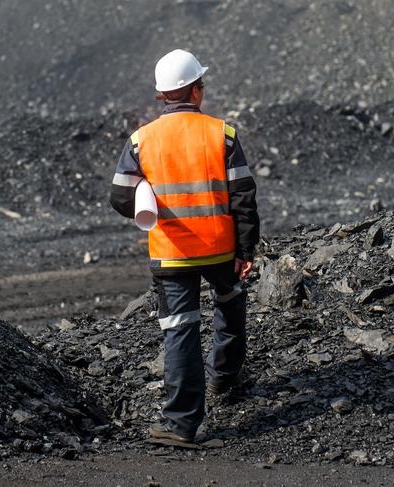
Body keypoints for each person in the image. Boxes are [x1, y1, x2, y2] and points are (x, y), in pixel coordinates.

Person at [109, 49, 259, 444]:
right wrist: (247, 249)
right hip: (220, 250)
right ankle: (225, 378)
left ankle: (180, 425)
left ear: (163, 96)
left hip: (171, 253)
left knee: (180, 331)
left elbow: (121, 198)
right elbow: (244, 196)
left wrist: (145, 191)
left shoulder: (141, 140)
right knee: (230, 306)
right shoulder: (221, 134)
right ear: (195, 92)